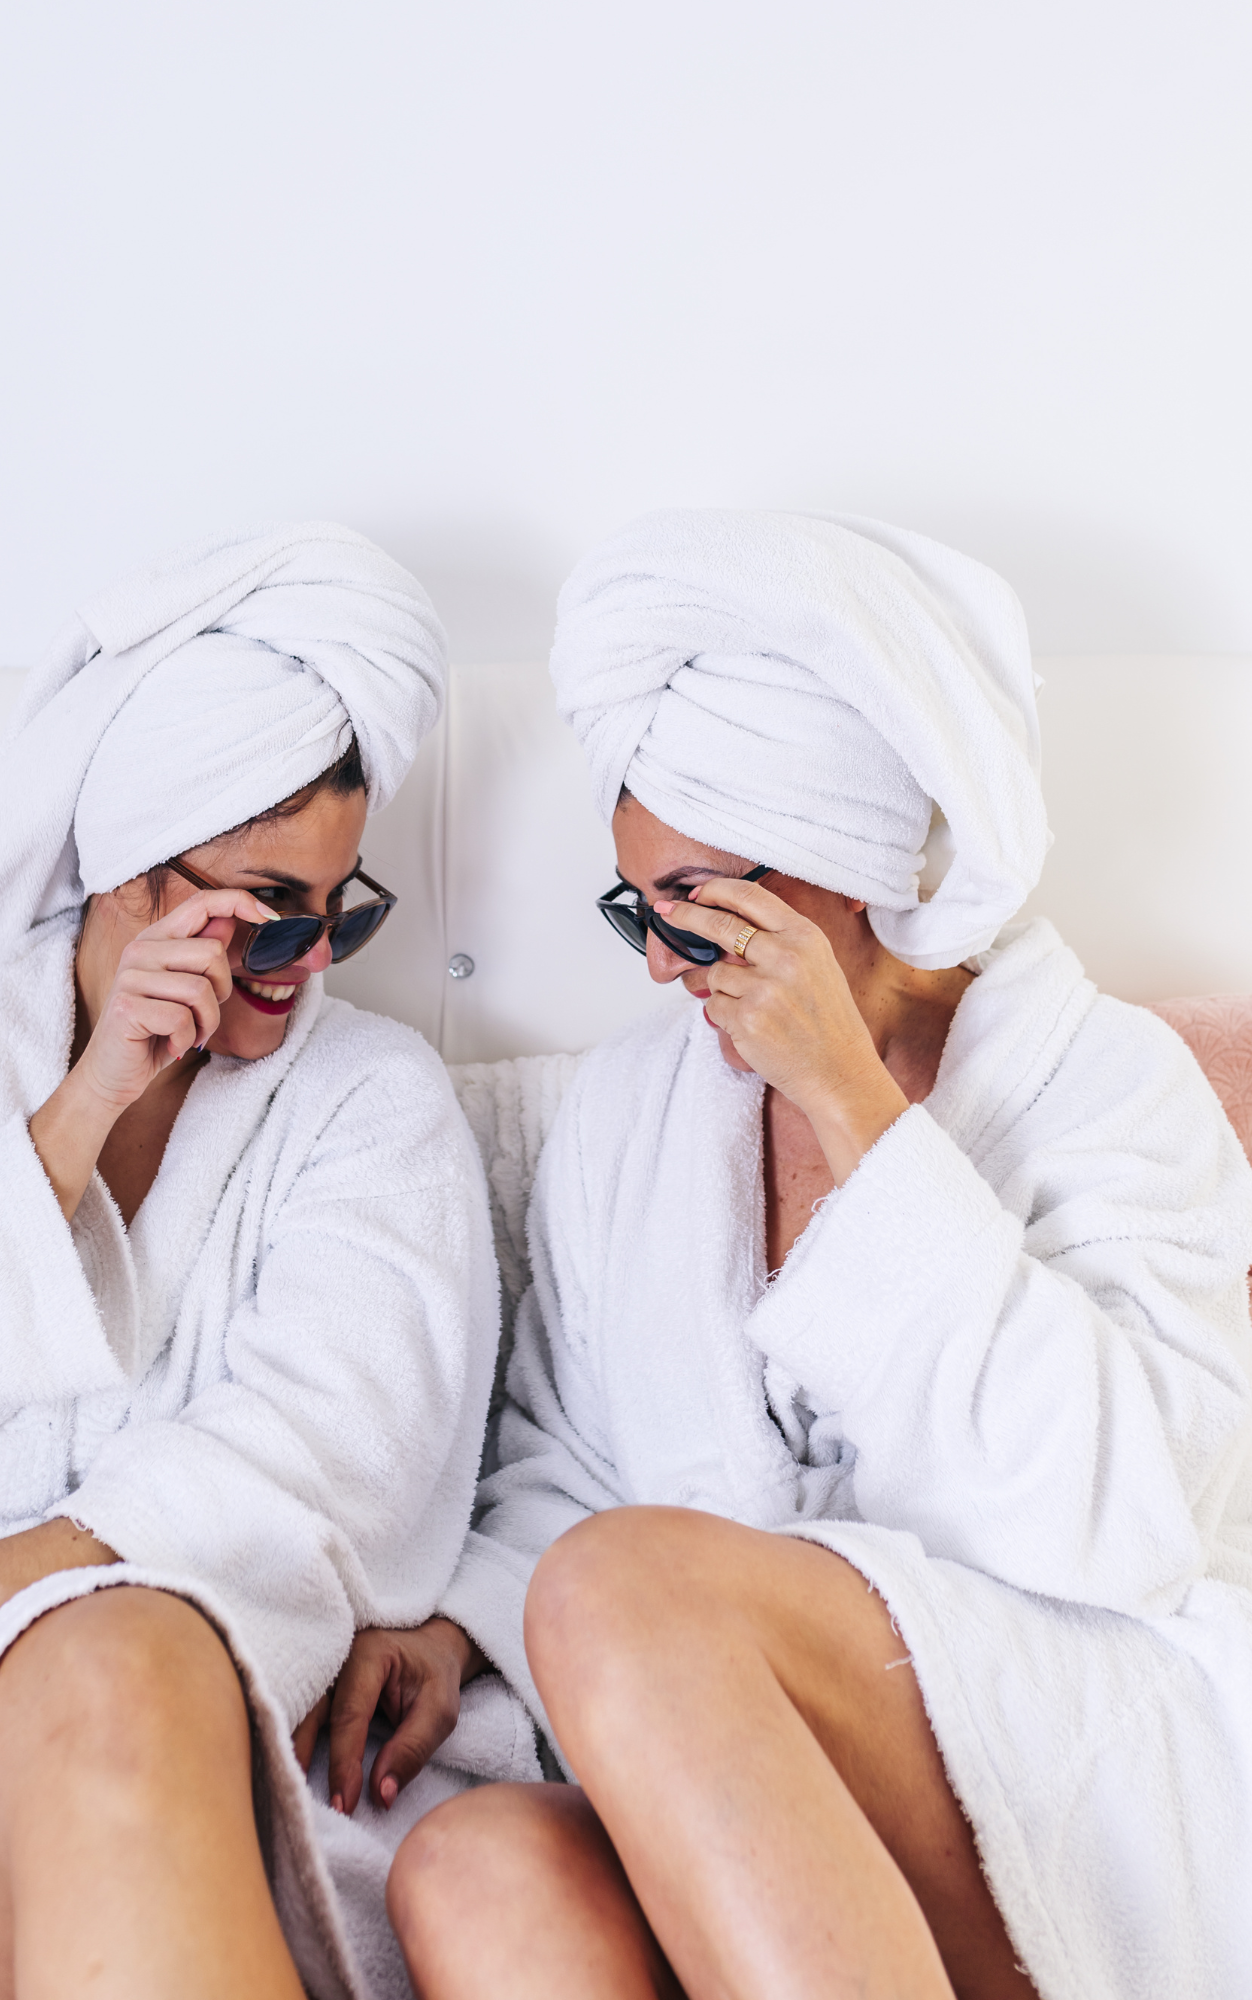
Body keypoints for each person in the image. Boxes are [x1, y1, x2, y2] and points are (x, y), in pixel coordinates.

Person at [377, 513, 1252, 1999]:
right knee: (476, 1867)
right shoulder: (632, 1112)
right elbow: (568, 1456)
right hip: (743, 1763)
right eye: (631, 911)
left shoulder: (1103, 1085)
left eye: (694, 917)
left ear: (836, 877)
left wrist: (856, 1111)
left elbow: (1134, 1518)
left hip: (1064, 1726)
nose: (655, 968)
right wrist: (454, 1619)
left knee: (619, 1587)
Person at [0, 524, 537, 2000]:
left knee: (127, 1655)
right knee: (109, 1662)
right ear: (133, 885)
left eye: (341, 907)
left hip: (235, 1728)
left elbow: (341, 1454)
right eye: (271, 910)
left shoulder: (370, 1099)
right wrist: (86, 1104)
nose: (313, 959)